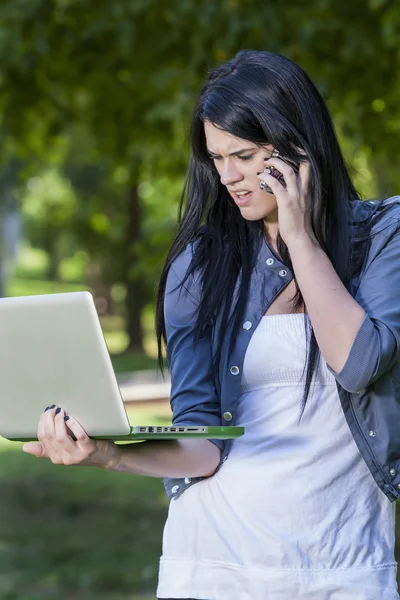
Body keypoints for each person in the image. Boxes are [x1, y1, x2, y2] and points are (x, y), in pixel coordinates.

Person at [22, 50, 400, 600]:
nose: (226, 177)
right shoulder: (201, 264)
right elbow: (202, 441)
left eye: (243, 156)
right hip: (212, 561)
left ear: (299, 144)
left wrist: (299, 235)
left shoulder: (384, 235)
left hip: (344, 564)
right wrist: (108, 454)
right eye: (216, 158)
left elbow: (359, 363)